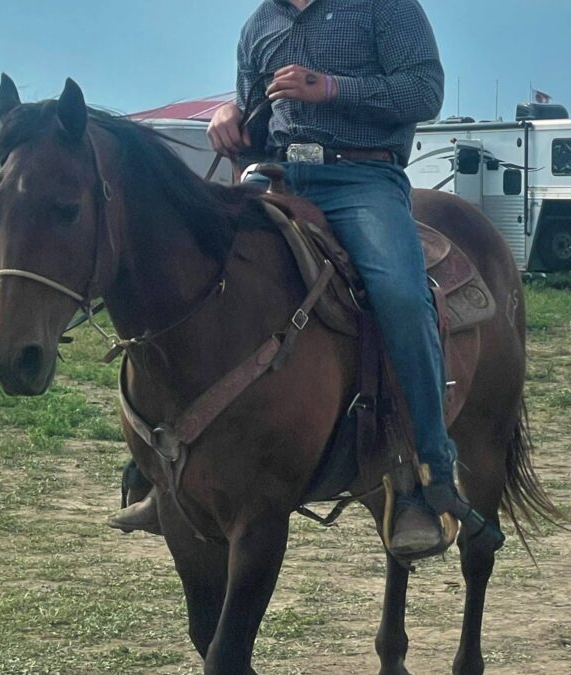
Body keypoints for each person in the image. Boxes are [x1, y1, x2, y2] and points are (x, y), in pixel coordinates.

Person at [110, 0, 503, 560]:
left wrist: (331, 89)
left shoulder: (383, 8)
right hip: (278, 175)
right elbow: (258, 117)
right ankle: (162, 465)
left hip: (362, 178)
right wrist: (231, 120)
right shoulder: (259, 27)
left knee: (399, 294)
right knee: (193, 265)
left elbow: (423, 92)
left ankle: (425, 472)